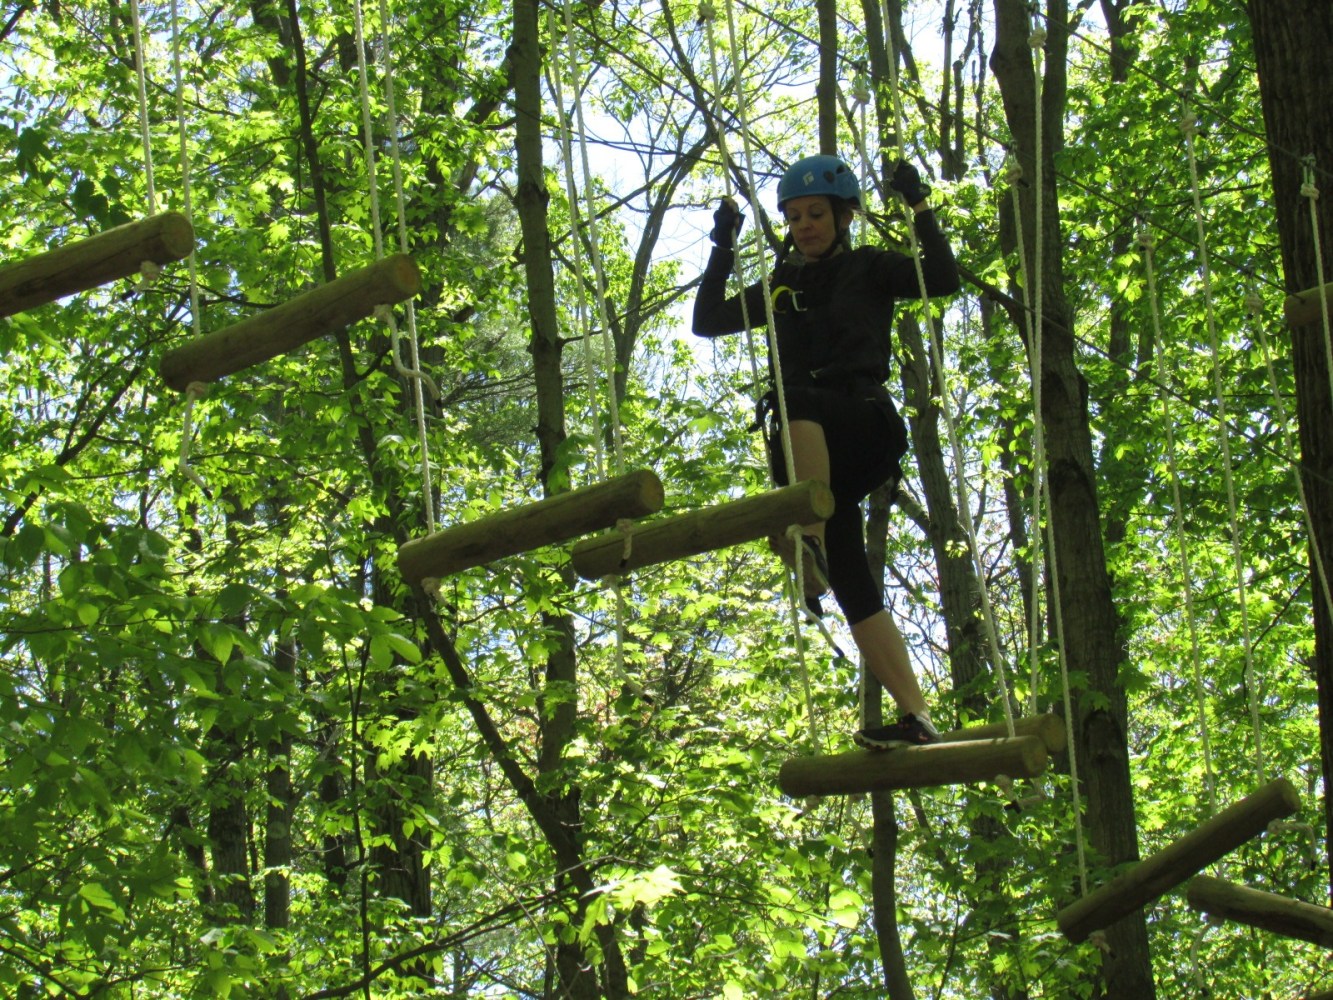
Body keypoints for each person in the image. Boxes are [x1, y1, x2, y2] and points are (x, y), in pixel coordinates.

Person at [691, 154, 960, 749]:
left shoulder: (869, 268)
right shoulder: (785, 284)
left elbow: (941, 278)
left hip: (863, 425)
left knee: (798, 401)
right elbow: (707, 321)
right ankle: (918, 717)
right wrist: (723, 248)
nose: (803, 225)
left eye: (816, 214)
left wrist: (920, 209)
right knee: (851, 578)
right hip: (812, 449)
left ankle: (807, 540)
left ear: (842, 216)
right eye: (793, 217)